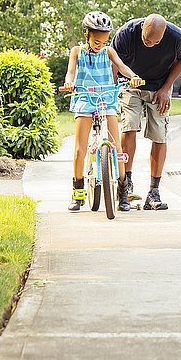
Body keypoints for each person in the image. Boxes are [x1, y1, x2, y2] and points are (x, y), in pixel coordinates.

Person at [111, 14, 181, 210]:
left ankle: (154, 192)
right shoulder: (126, 33)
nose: (149, 44)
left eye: (154, 42)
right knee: (129, 127)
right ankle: (125, 185)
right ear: (142, 28)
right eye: (146, 40)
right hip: (130, 84)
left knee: (159, 136)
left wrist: (166, 88)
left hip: (159, 86)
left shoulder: (177, 38)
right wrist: (111, 86)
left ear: (164, 35)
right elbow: (114, 62)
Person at [63, 11, 143, 212]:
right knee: (80, 149)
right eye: (97, 41)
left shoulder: (108, 52)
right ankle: (78, 191)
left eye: (104, 40)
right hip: (84, 99)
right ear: (87, 35)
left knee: (116, 148)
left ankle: (123, 193)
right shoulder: (76, 52)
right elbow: (71, 72)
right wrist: (69, 82)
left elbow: (122, 67)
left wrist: (133, 76)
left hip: (106, 99)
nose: (100, 45)